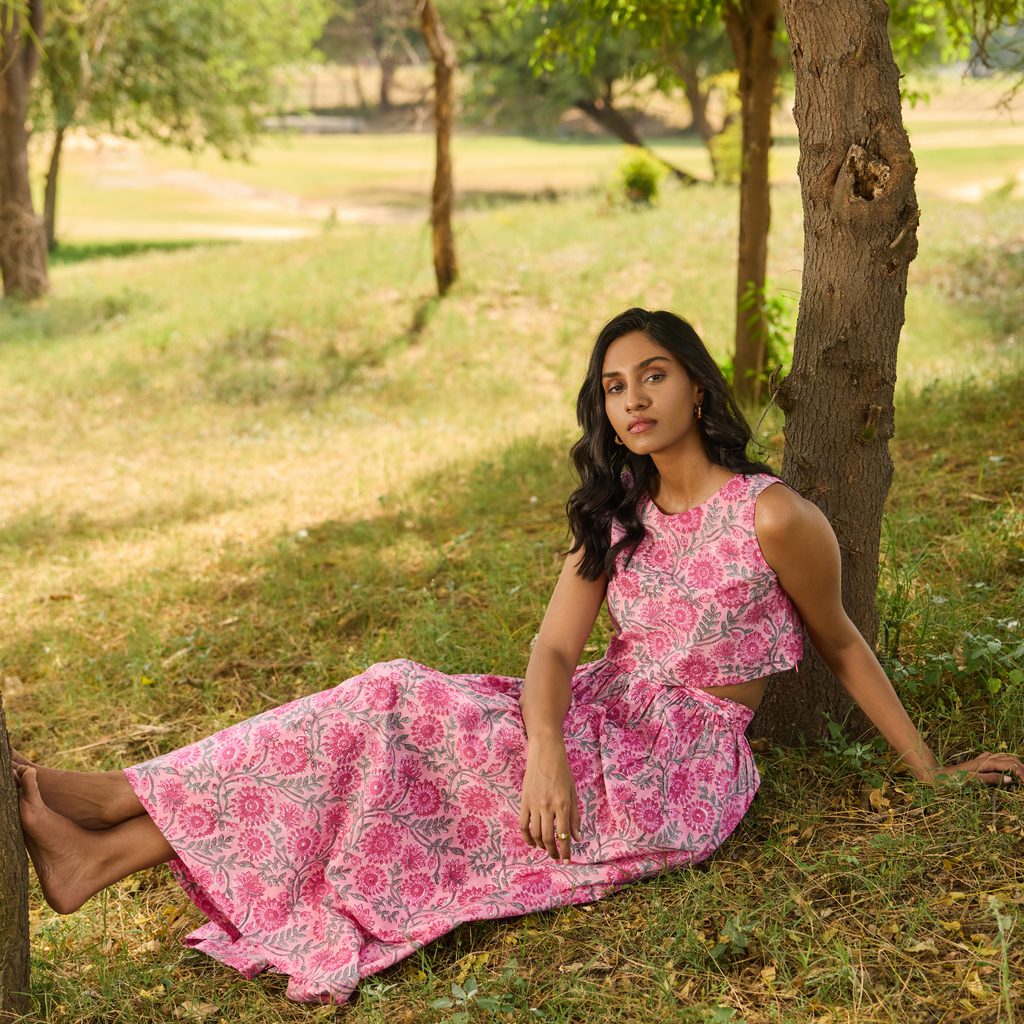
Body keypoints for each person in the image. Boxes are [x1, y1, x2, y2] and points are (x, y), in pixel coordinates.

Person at [14, 309, 1023, 1004]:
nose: (633, 399)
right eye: (614, 386)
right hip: (589, 720)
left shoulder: (774, 515)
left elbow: (841, 643)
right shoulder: (619, 513)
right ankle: (101, 845)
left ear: (696, 383)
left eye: (653, 375)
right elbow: (552, 647)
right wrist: (546, 744)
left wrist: (931, 771)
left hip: (673, 770)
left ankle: (113, 808)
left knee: (395, 714)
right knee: (391, 705)